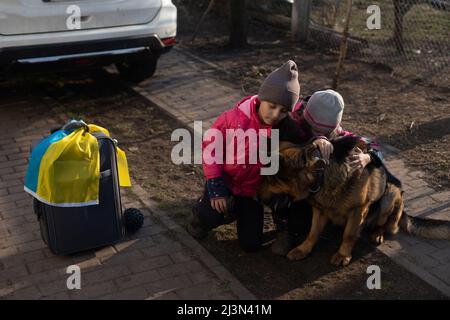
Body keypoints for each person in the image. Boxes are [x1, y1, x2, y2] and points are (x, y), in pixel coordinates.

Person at [186, 60, 301, 252]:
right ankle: (200, 213)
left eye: (283, 111)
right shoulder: (232, 118)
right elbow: (210, 149)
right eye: (272, 106)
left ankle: (235, 210)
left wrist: (320, 140)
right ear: (261, 98)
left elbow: (306, 138)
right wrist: (215, 185)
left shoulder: (285, 128)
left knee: (251, 244)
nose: (275, 114)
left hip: (250, 192)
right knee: (210, 217)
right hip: (225, 181)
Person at [270, 89, 385, 255]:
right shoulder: (291, 119)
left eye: (325, 132)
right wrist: (312, 140)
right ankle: (283, 229)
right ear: (305, 119)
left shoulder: (337, 133)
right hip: (280, 170)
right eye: (315, 130)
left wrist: (368, 156)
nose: (321, 135)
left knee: (304, 220)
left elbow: (374, 146)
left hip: (309, 187)